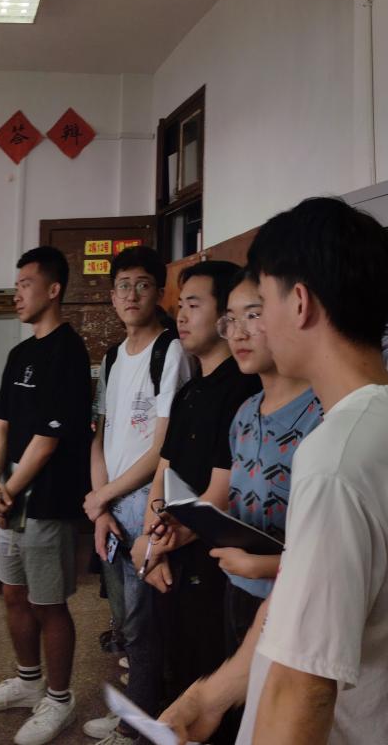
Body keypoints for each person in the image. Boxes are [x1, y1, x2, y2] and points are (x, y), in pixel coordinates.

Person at [159, 198, 388, 744]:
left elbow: (304, 689)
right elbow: (295, 598)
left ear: (298, 303)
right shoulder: (385, 414)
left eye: (261, 304)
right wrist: (211, 695)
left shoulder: (334, 456)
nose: (253, 326)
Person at [121, 260, 258, 740]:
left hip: (215, 562)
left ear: (225, 315)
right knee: (176, 668)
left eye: (193, 305)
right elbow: (164, 470)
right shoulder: (190, 391)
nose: (180, 315)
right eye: (179, 305)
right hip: (172, 554)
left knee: (213, 684)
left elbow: (222, 488)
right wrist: (149, 540)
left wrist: (161, 543)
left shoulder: (243, 389)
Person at [0, 247, 93, 745]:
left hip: (46, 499)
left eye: (25, 284)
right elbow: (2, 423)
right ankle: (27, 683)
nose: (16, 293)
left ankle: (59, 700)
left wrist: (8, 491)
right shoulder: (19, 354)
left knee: (48, 602)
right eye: (16, 284)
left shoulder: (69, 351)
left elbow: (49, 438)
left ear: (53, 289)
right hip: (10, 495)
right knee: (13, 593)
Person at [76, 246, 192, 744]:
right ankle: (140, 710)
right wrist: (101, 503)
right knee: (124, 620)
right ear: (111, 295)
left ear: (159, 292)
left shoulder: (170, 352)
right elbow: (99, 434)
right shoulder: (111, 357)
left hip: (148, 501)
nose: (131, 294)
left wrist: (105, 496)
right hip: (112, 503)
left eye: (143, 284)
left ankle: (138, 728)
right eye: (123, 285)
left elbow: (164, 446)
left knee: (146, 623)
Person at [214, 271, 320, 643]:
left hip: (297, 600)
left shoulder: (321, 413)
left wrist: (265, 566)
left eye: (253, 315)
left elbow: (334, 548)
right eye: (231, 320)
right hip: (238, 587)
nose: (238, 333)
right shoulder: (245, 412)